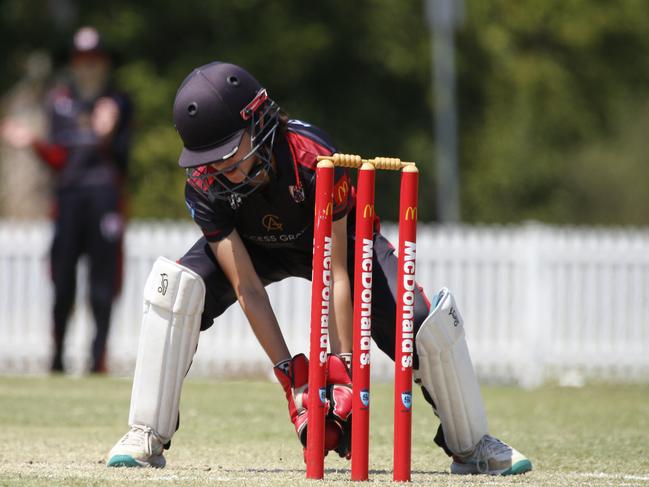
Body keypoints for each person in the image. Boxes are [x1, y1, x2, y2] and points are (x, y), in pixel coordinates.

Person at [106, 61, 531, 475]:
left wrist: (342, 369)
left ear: (258, 121)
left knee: (421, 321)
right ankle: (147, 433)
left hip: (341, 245)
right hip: (254, 249)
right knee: (175, 291)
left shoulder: (316, 160)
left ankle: (473, 446)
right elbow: (247, 287)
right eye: (209, 159)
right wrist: (292, 378)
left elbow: (336, 272)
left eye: (228, 154)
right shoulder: (204, 184)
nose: (221, 170)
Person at [0, 27, 131, 373]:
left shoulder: (118, 102)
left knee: (103, 282)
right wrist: (32, 142)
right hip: (70, 197)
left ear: (104, 64)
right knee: (62, 279)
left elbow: (123, 160)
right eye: (81, 60)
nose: (88, 67)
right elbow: (59, 157)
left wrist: (108, 134)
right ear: (74, 63)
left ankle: (97, 360)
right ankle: (57, 359)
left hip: (104, 196)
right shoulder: (59, 102)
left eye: (94, 60)